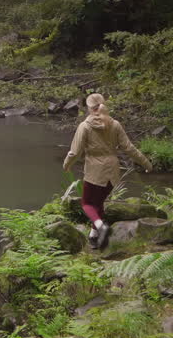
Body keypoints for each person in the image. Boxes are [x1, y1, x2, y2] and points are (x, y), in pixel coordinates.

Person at [62, 92, 152, 249]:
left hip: (95, 171)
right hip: (112, 170)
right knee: (98, 203)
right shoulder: (115, 124)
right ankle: (94, 238)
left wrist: (67, 164)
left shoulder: (85, 126)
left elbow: (75, 152)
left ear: (89, 108)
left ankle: (100, 226)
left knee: (87, 204)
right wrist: (146, 164)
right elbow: (129, 148)